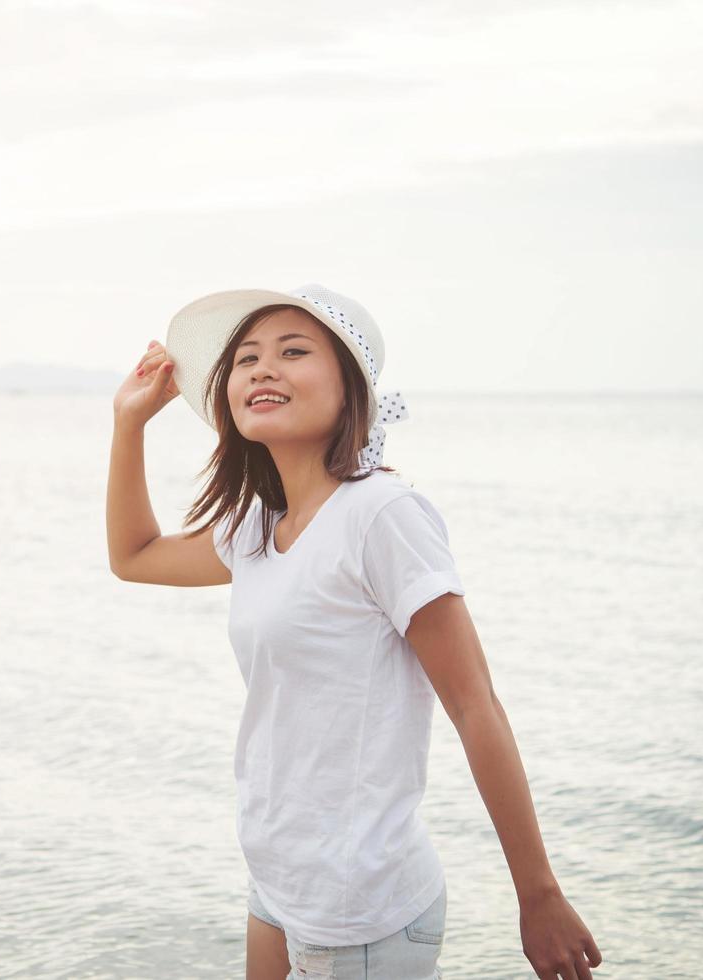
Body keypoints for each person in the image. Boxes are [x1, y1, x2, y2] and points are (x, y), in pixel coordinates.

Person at [106, 283, 603, 980]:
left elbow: (474, 705)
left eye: (292, 351)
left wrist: (538, 895)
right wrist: (128, 424)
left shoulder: (381, 514)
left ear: (351, 391)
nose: (261, 369)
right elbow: (133, 557)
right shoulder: (254, 526)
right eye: (245, 358)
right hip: (280, 879)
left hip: (361, 903)